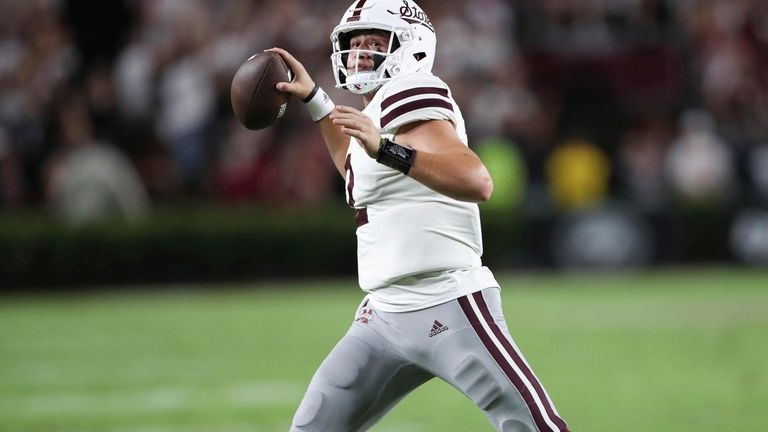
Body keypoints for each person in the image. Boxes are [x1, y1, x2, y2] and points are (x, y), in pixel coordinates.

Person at [268, 1, 569, 430]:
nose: (360, 54)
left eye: (375, 42)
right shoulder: (375, 113)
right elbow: (357, 170)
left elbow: (476, 179)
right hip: (383, 314)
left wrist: (386, 149)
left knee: (532, 426)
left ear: (412, 46)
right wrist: (317, 102)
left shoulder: (410, 91)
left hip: (447, 303)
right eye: (354, 44)